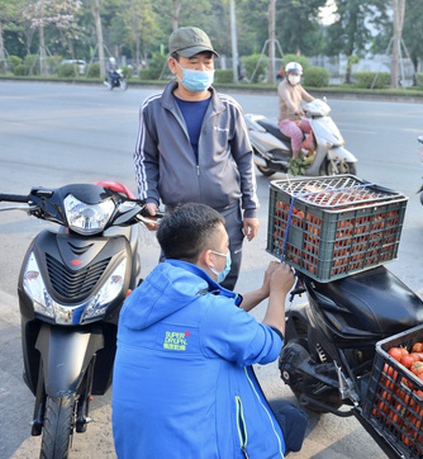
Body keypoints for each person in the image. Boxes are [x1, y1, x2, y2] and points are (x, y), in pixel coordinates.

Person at [112, 202, 307, 458]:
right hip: (193, 451)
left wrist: (262, 292)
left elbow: (215, 317)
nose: (228, 254)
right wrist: (279, 293)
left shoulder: (138, 301)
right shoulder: (209, 314)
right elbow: (270, 345)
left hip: (137, 448)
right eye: (226, 247)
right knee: (292, 419)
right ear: (209, 257)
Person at [133, 26, 259, 290]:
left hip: (225, 215)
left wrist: (251, 210)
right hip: (179, 216)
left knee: (224, 280)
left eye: (207, 62)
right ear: (174, 64)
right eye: (193, 62)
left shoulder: (228, 108)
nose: (202, 69)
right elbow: (145, 158)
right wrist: (150, 199)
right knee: (178, 284)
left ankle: (216, 329)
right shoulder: (154, 108)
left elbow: (245, 159)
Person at [277, 61, 315, 173]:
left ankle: (309, 151)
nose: (295, 77)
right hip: (286, 120)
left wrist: (318, 103)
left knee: (315, 126)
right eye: (293, 74)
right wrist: (296, 110)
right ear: (287, 74)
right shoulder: (283, 86)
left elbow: (307, 97)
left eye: (297, 75)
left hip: (298, 119)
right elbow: (288, 101)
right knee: (297, 134)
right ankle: (295, 158)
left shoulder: (298, 86)